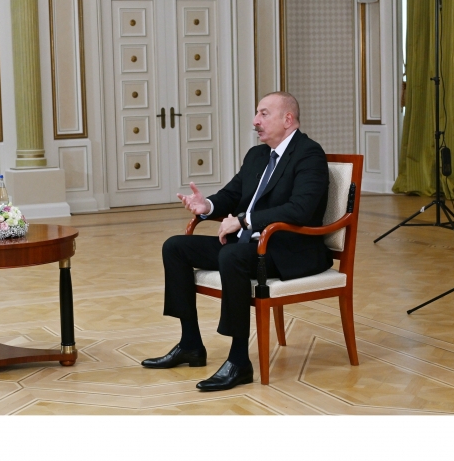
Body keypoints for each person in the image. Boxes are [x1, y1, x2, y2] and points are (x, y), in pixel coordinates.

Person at [142, 91, 331, 391]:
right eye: (257, 113)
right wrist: (207, 206)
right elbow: (232, 194)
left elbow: (300, 209)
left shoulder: (309, 154)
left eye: (264, 114)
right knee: (175, 247)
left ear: (288, 119)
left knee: (232, 256)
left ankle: (239, 360)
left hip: (289, 249)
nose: (255, 121)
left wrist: (244, 221)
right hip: (252, 246)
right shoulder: (257, 155)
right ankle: (190, 344)